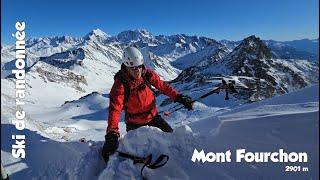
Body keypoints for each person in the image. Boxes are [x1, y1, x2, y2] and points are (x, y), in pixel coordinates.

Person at [101, 46, 193, 162]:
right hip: (134, 124)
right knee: (140, 155)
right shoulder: (120, 84)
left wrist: (179, 97)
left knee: (172, 139)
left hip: (153, 117)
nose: (138, 70)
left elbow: (162, 86)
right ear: (127, 67)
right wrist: (112, 133)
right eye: (133, 68)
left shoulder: (147, 74)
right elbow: (115, 109)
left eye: (139, 66)